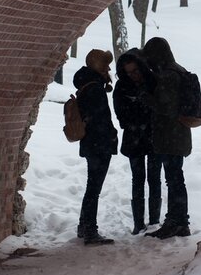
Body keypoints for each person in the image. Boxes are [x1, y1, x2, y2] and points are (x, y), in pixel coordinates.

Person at [141, 37, 192, 239]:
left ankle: (175, 222)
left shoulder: (168, 75)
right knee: (176, 178)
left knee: (174, 180)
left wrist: (146, 98)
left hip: (170, 135)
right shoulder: (179, 70)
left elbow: (166, 107)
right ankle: (179, 221)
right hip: (178, 134)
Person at [113, 49, 162, 235]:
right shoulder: (122, 87)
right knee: (138, 180)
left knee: (154, 179)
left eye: (136, 71)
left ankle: (154, 221)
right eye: (129, 72)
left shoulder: (152, 82)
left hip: (153, 137)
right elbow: (122, 116)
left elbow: (159, 108)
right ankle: (138, 222)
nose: (134, 75)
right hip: (134, 139)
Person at [73, 49, 118, 245]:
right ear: (97, 66)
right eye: (105, 64)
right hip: (99, 145)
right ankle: (89, 229)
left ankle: (85, 226)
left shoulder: (86, 85)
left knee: (92, 187)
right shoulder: (95, 89)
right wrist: (110, 136)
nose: (108, 68)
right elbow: (100, 120)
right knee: (94, 188)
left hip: (91, 144)